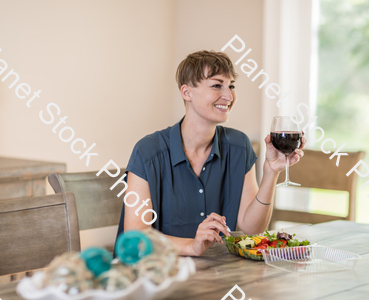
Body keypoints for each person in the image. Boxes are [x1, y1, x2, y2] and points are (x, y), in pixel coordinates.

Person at [114, 50, 305, 256]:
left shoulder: (239, 146)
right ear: (187, 92)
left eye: (231, 86)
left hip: (216, 274)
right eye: (217, 85)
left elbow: (252, 229)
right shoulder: (148, 152)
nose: (229, 96)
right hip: (154, 277)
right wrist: (191, 246)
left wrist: (271, 172)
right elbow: (136, 238)